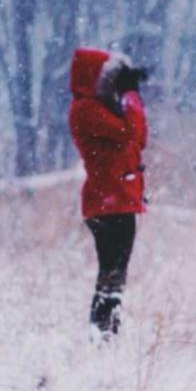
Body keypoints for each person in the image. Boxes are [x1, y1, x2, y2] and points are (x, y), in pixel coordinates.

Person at [68, 47, 149, 337]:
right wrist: (130, 96)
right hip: (108, 202)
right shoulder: (86, 110)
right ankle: (103, 333)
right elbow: (129, 133)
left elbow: (139, 139)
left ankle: (106, 331)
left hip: (118, 200)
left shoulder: (101, 109)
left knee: (115, 274)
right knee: (112, 274)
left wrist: (130, 98)